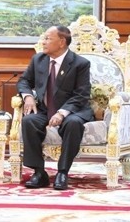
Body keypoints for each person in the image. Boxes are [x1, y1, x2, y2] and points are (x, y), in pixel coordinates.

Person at [17, 25, 94, 190]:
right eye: (44, 38)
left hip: (73, 110)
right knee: (29, 121)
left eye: (47, 38)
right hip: (45, 109)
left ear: (61, 42)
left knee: (73, 123)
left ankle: (63, 172)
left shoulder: (80, 63)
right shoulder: (38, 59)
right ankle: (39, 172)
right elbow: (24, 81)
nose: (43, 42)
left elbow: (82, 94)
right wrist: (28, 96)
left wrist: (61, 113)